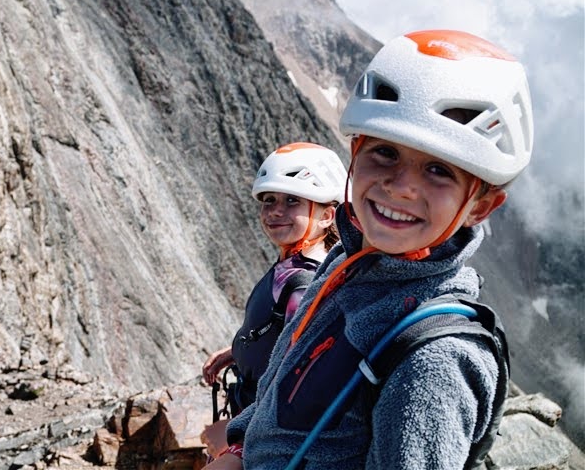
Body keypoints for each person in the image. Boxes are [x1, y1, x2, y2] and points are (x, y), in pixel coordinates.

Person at [206, 29, 533, 469]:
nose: (401, 188)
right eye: (385, 153)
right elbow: (284, 395)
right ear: (355, 154)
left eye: (438, 169)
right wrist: (241, 447)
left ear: (482, 206)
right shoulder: (345, 263)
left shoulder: (434, 362)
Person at [201, 142, 347, 459]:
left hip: (260, 436)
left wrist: (234, 439)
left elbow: (298, 385)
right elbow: (280, 336)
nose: (276, 210)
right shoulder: (295, 266)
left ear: (327, 216)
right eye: (269, 200)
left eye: (292, 200)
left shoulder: (304, 286)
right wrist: (237, 351)